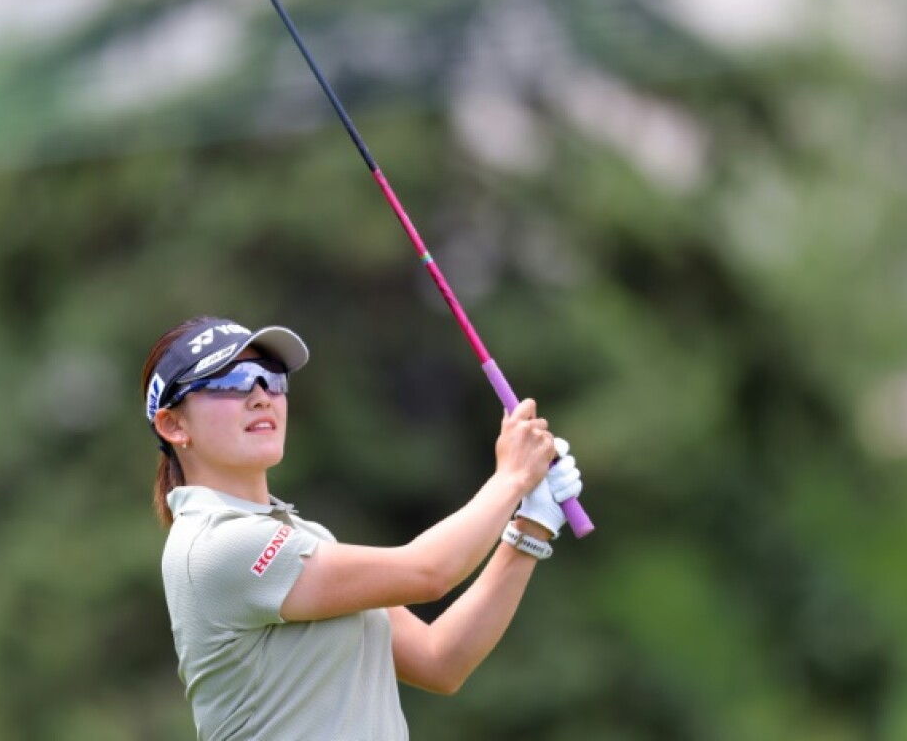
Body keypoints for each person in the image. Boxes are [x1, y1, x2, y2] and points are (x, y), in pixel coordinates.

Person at [141, 316, 583, 740]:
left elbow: (439, 660)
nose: (261, 396)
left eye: (271, 377)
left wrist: (533, 522)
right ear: (173, 424)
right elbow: (428, 573)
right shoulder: (214, 545)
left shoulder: (307, 540)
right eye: (229, 382)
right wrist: (510, 479)